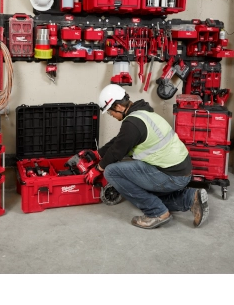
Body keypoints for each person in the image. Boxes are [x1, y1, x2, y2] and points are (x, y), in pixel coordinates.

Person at [84, 84, 208, 229]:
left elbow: (117, 151)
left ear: (118, 106)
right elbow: (120, 140)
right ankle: (191, 198)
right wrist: (98, 153)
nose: (112, 115)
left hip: (171, 176)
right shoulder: (143, 113)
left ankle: (156, 212)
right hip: (181, 172)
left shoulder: (132, 124)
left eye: (111, 112)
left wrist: (98, 169)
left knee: (111, 172)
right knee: (146, 195)